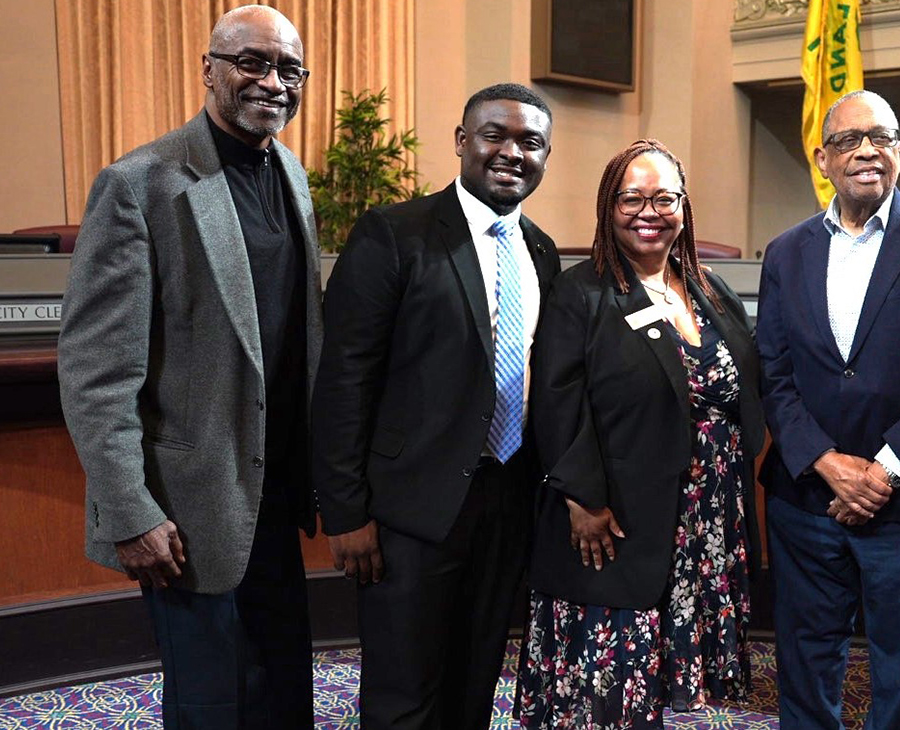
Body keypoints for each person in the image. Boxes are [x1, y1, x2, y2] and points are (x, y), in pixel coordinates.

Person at [57, 6, 320, 727]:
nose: (273, 81)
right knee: (211, 705)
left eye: (290, 69)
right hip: (186, 510)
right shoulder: (139, 184)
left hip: (274, 496)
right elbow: (95, 373)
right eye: (253, 62)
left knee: (282, 692)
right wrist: (130, 510)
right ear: (209, 69)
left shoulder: (291, 174)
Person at [310, 83, 560, 729]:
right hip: (408, 509)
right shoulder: (395, 233)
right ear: (461, 141)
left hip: (504, 502)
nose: (511, 152)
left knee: (475, 680)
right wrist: (345, 511)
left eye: (530, 142)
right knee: (404, 693)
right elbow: (343, 377)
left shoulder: (540, 250)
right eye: (494, 135)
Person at [513, 139, 765, 729]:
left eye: (663, 198)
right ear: (608, 206)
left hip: (703, 520)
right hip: (616, 517)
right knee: (609, 685)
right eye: (632, 198)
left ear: (684, 207)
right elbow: (556, 400)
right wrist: (583, 499)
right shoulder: (582, 294)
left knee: (664, 687)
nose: (649, 212)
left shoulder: (710, 290)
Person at [755, 90, 900, 730]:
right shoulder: (786, 251)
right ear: (823, 159)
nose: (866, 150)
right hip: (805, 498)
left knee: (899, 663)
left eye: (881, 137)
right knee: (804, 656)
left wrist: (881, 473)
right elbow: (774, 373)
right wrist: (827, 464)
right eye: (850, 140)